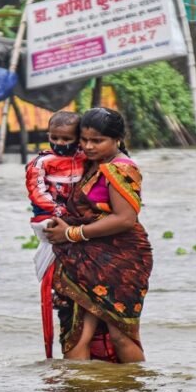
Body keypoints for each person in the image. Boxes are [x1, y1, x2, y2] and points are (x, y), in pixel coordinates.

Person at [43, 107, 153, 363]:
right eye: (84, 140)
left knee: (121, 333)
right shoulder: (90, 164)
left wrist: (71, 233)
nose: (88, 146)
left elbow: (125, 218)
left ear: (117, 139)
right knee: (77, 335)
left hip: (119, 259)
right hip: (83, 258)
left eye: (97, 141)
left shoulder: (120, 168)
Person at [26, 111, 122, 361]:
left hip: (80, 228)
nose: (59, 143)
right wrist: (60, 212)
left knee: (97, 316)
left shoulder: (90, 161)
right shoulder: (41, 162)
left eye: (66, 138)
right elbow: (36, 192)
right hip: (52, 219)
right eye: (53, 138)